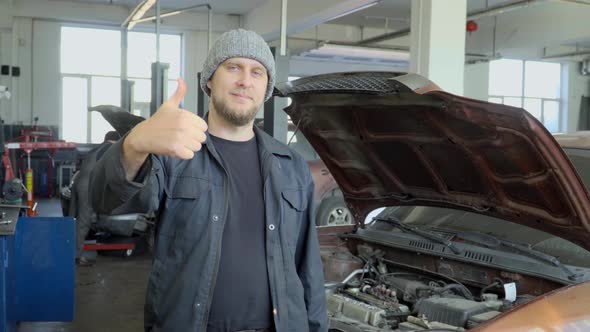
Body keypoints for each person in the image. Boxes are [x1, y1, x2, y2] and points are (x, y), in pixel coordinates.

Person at [89, 29, 328, 332]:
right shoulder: (174, 154)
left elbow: (308, 267)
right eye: (233, 67)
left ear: (266, 87)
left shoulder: (290, 165)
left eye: (257, 72)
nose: (245, 80)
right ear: (210, 80)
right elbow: (105, 201)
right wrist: (133, 146)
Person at [70, 130, 121, 266]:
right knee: (83, 222)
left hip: (77, 182)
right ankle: (76, 257)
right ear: (116, 140)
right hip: (87, 185)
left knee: (72, 219)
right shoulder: (110, 149)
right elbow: (112, 170)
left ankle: (67, 252)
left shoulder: (97, 148)